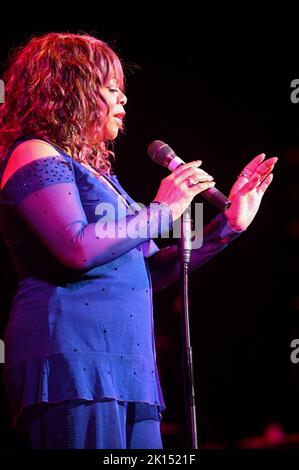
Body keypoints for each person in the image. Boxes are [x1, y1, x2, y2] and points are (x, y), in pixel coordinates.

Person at [0, 32, 277, 449]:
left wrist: (228, 225)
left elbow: (153, 270)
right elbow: (75, 247)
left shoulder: (101, 177)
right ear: (67, 90)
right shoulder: (34, 152)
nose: (123, 100)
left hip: (131, 368)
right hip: (73, 359)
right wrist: (162, 210)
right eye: (111, 88)